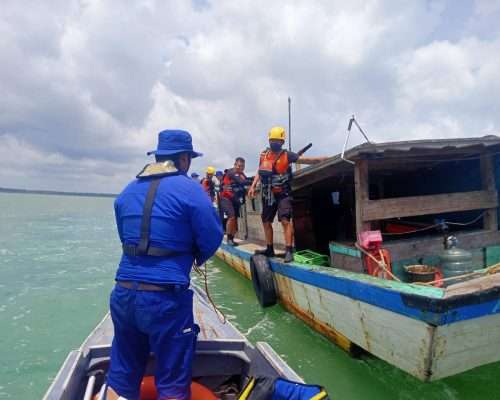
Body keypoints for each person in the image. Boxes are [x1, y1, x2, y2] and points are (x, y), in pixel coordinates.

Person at [107, 130, 223, 400]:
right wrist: (193, 257)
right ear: (184, 159)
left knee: (122, 374)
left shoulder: (126, 191)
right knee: (172, 383)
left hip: (124, 292)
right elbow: (212, 235)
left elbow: (126, 238)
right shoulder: (191, 189)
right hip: (165, 300)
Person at [248, 126, 323, 263]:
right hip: (267, 194)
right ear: (269, 140)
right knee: (266, 221)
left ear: (282, 142)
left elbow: (309, 160)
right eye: (272, 140)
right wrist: (253, 186)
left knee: (285, 220)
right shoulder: (264, 154)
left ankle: (289, 251)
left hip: (283, 193)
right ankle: (269, 249)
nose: (274, 142)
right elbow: (259, 171)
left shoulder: (287, 155)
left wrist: (325, 158)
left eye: (277, 140)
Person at [220, 157, 247, 246]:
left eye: (242, 166)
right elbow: (242, 182)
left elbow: (246, 181)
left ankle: (232, 238)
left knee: (235, 218)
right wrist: (250, 181)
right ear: (235, 165)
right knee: (231, 216)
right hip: (226, 198)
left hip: (235, 200)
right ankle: (228, 238)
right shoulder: (231, 172)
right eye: (239, 166)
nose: (240, 168)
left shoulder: (242, 174)